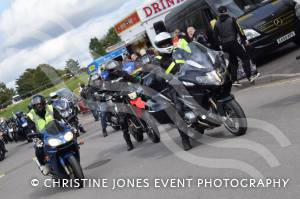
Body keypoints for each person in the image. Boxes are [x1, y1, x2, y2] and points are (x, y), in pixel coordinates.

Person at [153, 32, 193, 151]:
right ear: (159, 46)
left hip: (188, 78)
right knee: (179, 109)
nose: (167, 45)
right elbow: (157, 75)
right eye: (163, 44)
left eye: (168, 42)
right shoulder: (157, 60)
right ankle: (185, 140)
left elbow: (191, 57)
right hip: (173, 86)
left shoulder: (178, 51)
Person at [214, 6, 259, 86]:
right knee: (245, 58)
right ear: (226, 11)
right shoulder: (232, 19)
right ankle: (250, 76)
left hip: (225, 46)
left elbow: (215, 37)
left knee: (233, 61)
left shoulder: (216, 23)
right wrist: (244, 40)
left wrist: (220, 46)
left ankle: (234, 80)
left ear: (219, 13)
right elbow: (240, 30)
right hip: (233, 42)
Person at [27, 95, 63, 175]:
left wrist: (64, 123)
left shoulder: (50, 108)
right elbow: (30, 128)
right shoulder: (30, 115)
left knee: (69, 137)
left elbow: (60, 118)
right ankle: (44, 166)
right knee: (39, 149)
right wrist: (33, 134)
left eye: (40, 104)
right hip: (40, 136)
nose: (39, 106)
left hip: (55, 131)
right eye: (36, 105)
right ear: (33, 106)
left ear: (44, 103)